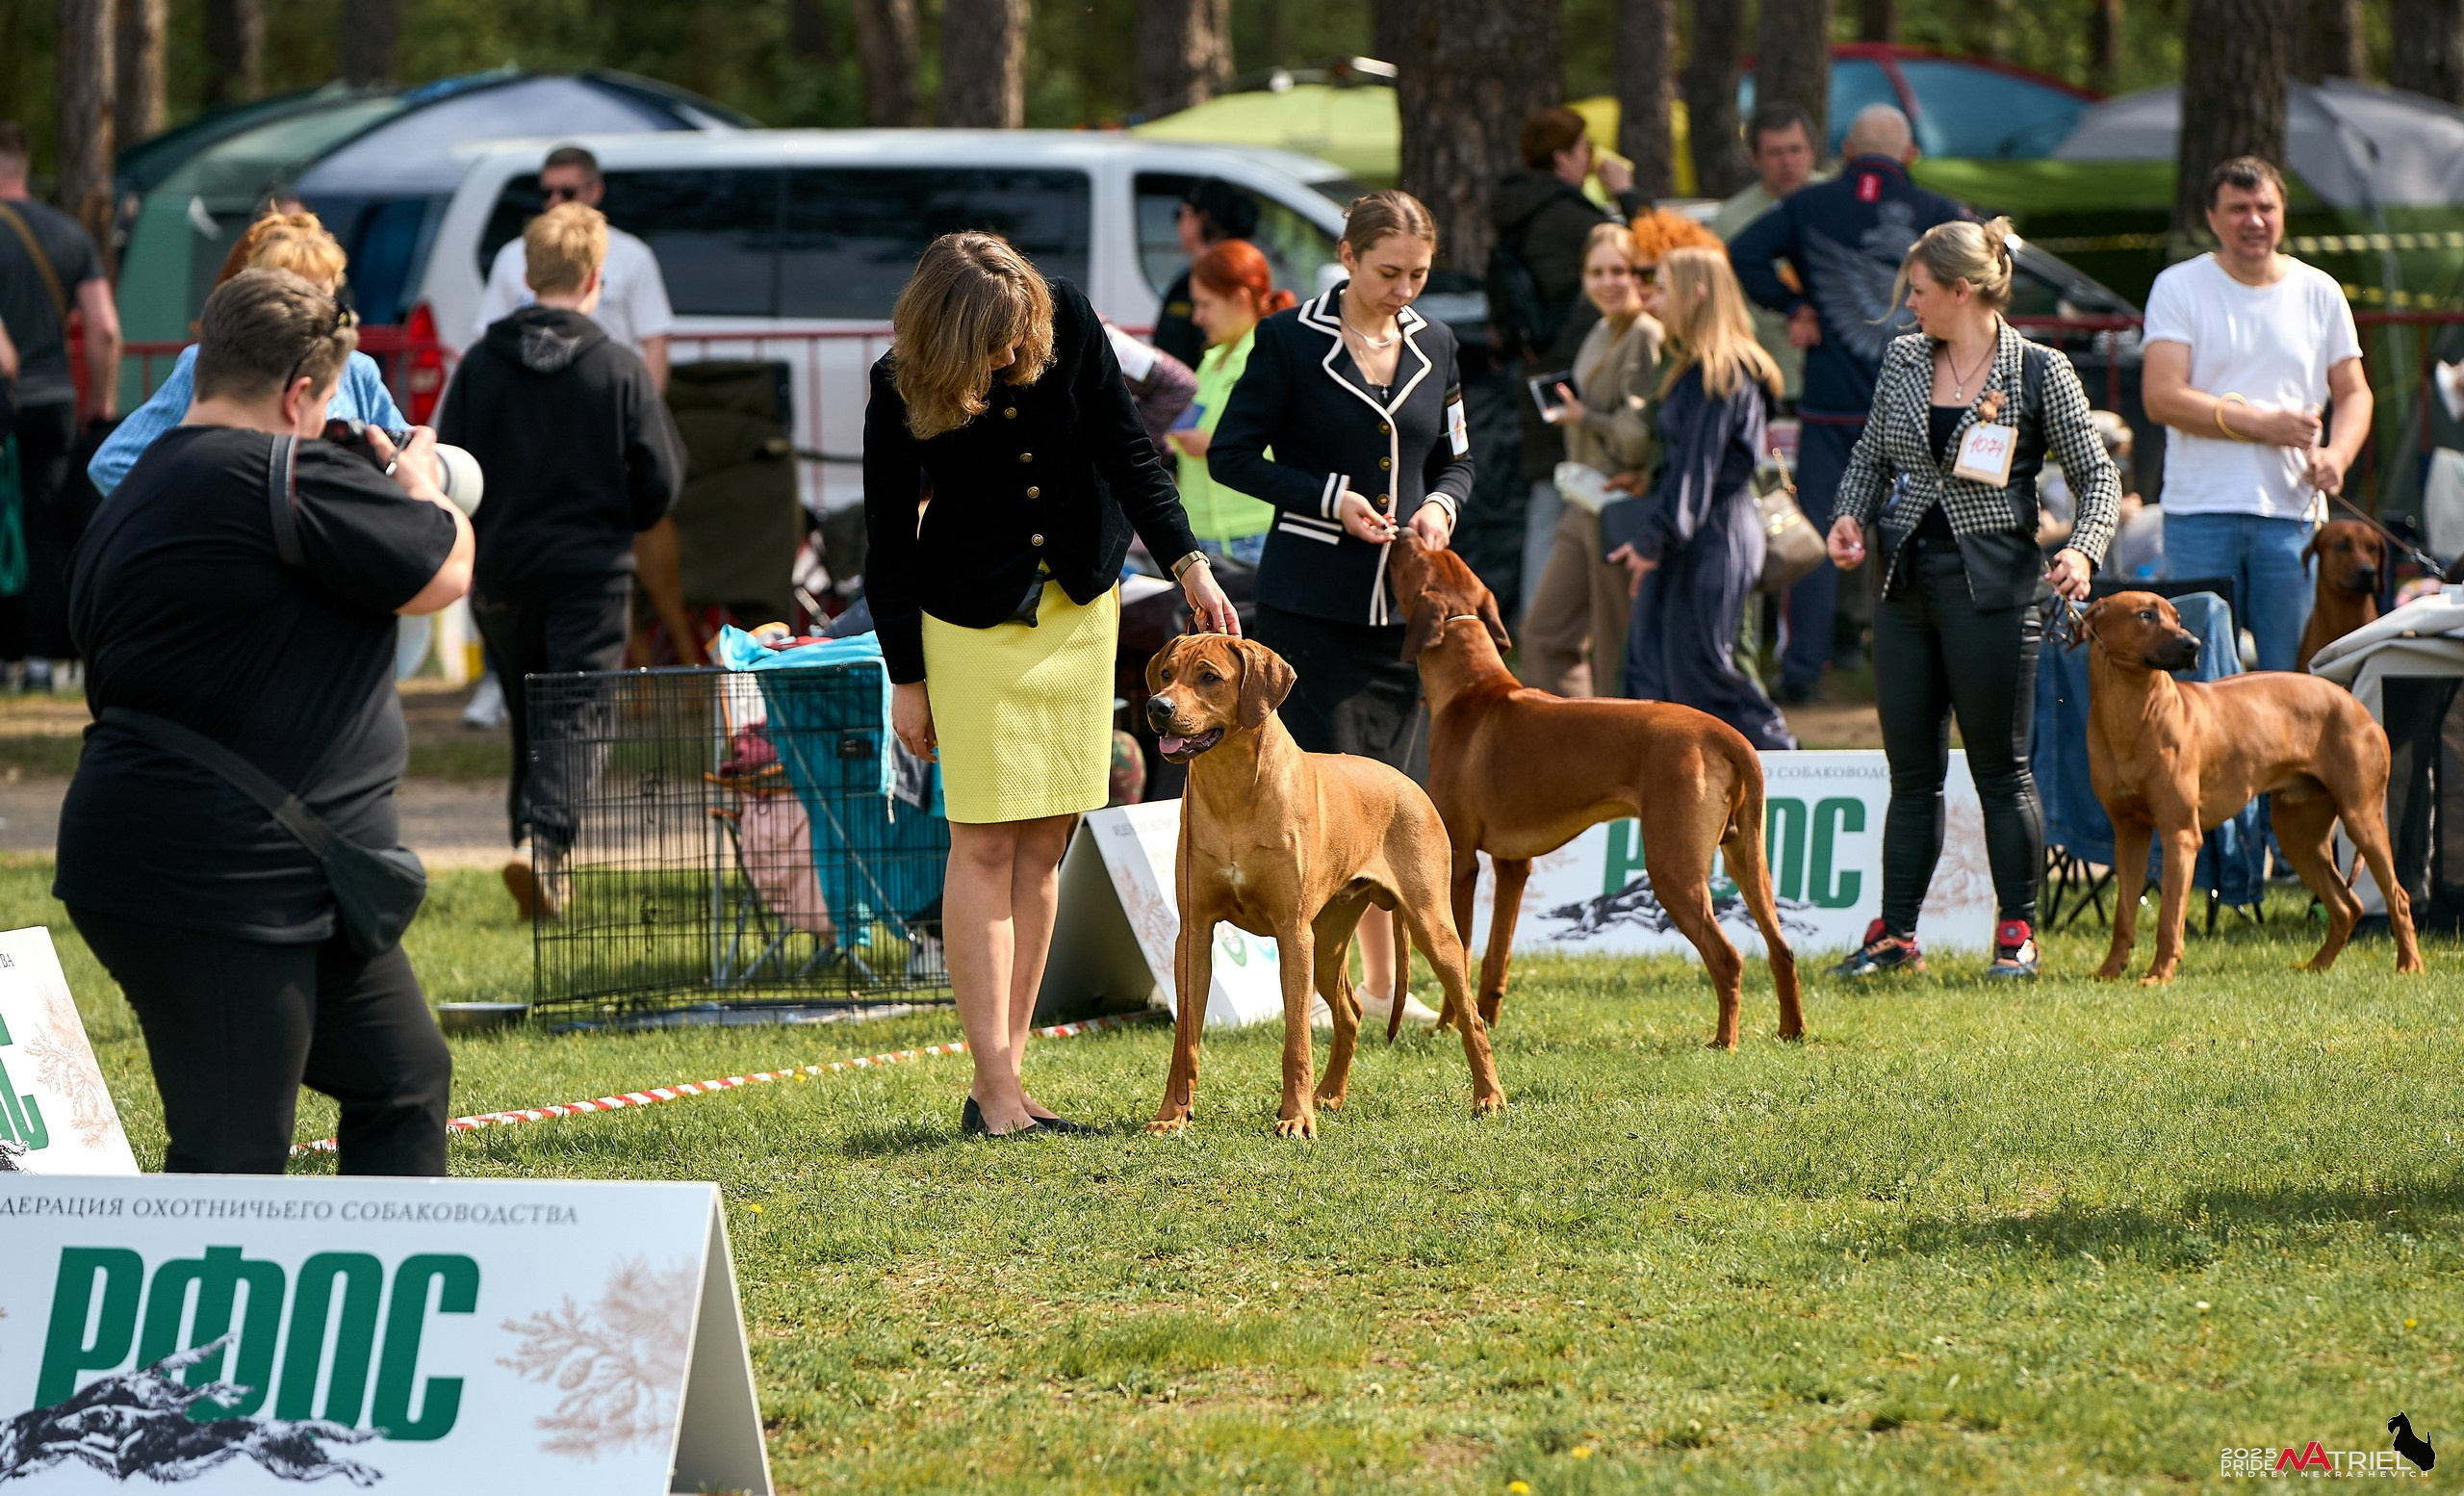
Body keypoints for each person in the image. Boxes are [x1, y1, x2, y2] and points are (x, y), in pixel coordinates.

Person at [57, 268, 473, 1174]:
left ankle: (385, 1313)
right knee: (233, 1149)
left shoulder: (131, 496)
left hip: (266, 875)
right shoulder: (287, 474)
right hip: (225, 878)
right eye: (324, 400)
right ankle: (198, 1323)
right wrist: (425, 481)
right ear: (298, 394)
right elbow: (443, 570)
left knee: (402, 1077)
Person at [865, 232, 1237, 1138]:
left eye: (1026, 333)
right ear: (951, 340)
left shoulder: (1064, 314)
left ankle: (1010, 1074)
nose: (1020, 353)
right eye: (999, 346)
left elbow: (1126, 446)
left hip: (1082, 609)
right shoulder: (896, 380)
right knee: (985, 845)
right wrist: (906, 680)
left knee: (1047, 844)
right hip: (968, 625)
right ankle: (992, 1086)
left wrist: (1188, 563)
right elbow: (885, 542)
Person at [1821, 219, 2119, 980]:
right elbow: (1868, 456)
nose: (1908, 307)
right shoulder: (1902, 361)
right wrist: (1848, 516)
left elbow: (2099, 476)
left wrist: (2083, 548)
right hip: (1904, 582)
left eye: (1917, 292)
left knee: (1999, 768)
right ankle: (1896, 935)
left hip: (1994, 586)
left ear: (1962, 291)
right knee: (1912, 773)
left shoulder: (2039, 370)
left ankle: (2016, 933)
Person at [1212, 191, 1474, 1028]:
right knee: (1315, 807)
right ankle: (1323, 985)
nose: (1404, 289)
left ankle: (1387, 988)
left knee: (1385, 804)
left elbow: (1459, 461)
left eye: (1419, 274)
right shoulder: (1288, 340)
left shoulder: (1440, 343)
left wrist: (1441, 508)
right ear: (1348, 255)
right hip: (1307, 610)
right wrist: (1330, 497)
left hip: (1401, 619)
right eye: (1388, 271)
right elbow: (1230, 456)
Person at [438, 203, 687, 919]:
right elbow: (661, 479)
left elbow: (451, 466)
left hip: (504, 568)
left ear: (524, 273)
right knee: (577, 712)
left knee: (527, 709)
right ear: (595, 278)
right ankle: (545, 848)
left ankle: (529, 842)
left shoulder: (482, 364)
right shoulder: (617, 368)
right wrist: (623, 518)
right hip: (591, 568)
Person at [1730, 104, 1967, 705]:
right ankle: (1923, 671)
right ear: (1909, 153)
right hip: (1919, 409)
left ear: (1844, 150)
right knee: (1917, 539)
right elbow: (1982, 288)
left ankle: (1803, 670)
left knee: (1814, 534)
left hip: (1832, 408)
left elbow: (1743, 254)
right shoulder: (1939, 216)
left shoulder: (1809, 207)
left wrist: (1794, 307)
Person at [468, 143, 693, 715]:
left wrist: (636, 434)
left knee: (548, 711)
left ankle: (541, 799)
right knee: (568, 713)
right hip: (571, 533)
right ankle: (548, 796)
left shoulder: (631, 270)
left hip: (575, 488)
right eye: (544, 192)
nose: (552, 202)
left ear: (594, 191)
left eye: (565, 191)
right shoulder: (600, 364)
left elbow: (655, 349)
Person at [2141, 156, 2369, 672]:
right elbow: (2161, 397)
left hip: (2292, 520)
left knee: (2294, 679)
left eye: (2266, 207)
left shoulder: (2320, 291)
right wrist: (2264, 426)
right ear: (2212, 217)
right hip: (2199, 511)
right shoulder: (2179, 286)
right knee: (2199, 680)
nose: (2254, 219)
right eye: (2238, 208)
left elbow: (2355, 393)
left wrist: (2340, 454)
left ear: (2283, 211)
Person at [1603, 247, 1796, 751]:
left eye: (1663, 288)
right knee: (1664, 672)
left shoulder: (1722, 372)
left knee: (1706, 671)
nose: (1652, 299)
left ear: (1698, 293)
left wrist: (1654, 540)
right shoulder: (1700, 368)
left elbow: (1697, 473)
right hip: (1698, 532)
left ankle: (1787, 769)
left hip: (1716, 533)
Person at [89, 211, 406, 494]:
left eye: (321, 294)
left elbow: (407, 459)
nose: (310, 310)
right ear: (255, 298)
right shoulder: (209, 362)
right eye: (293, 294)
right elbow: (113, 464)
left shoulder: (357, 370)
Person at [1489, 106, 1647, 626]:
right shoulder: (1573, 219)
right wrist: (1626, 195)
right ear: (1564, 157)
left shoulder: (1512, 212)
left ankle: (1540, 626)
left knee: (1547, 500)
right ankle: (1564, 627)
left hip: (1534, 377)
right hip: (1583, 378)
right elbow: (1656, 251)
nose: (1591, 160)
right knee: (1581, 504)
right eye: (1585, 150)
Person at [0, 120, 119, 695]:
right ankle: (44, 660)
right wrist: (100, 401)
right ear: (22, 168)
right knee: (45, 527)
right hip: (53, 402)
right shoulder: (70, 237)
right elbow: (104, 329)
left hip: (5, 397)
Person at [1519, 221, 1662, 698]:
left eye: (1619, 270)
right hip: (1584, 499)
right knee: (1543, 634)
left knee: (1614, 647)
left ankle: (1614, 754)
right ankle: (1574, 745)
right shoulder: (1602, 328)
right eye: (1597, 271)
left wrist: (1586, 416)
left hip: (1619, 505)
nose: (1609, 282)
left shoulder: (1643, 332)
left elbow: (1640, 436)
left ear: (1639, 274)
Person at [1166, 238, 1294, 567]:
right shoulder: (1214, 358)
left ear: (1239, 299)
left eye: (1206, 304)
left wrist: (1213, 446)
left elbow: (1294, 445)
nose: (1197, 317)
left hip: (1250, 536)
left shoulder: (1271, 356)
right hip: (1203, 535)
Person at [1712, 101, 1824, 407]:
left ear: (1812, 151)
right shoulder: (1730, 220)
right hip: (1763, 371)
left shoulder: (1838, 201)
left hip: (1832, 372)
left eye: (1795, 149)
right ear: (1754, 158)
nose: (1787, 161)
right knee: (1774, 458)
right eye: (1775, 153)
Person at [1150, 178, 1260, 371]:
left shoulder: (1227, 277)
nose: (1198, 318)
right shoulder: (1192, 276)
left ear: (1202, 218)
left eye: (1180, 214)